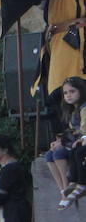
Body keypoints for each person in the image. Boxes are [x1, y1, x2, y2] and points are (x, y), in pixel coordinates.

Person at [47, 76, 86, 205]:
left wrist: (63, 143)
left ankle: (70, 186)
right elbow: (70, 131)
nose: (68, 95)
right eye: (65, 93)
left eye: (72, 91)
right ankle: (63, 190)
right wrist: (60, 141)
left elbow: (82, 130)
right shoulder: (72, 110)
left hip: (80, 142)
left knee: (61, 153)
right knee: (49, 155)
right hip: (74, 141)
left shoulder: (84, 108)